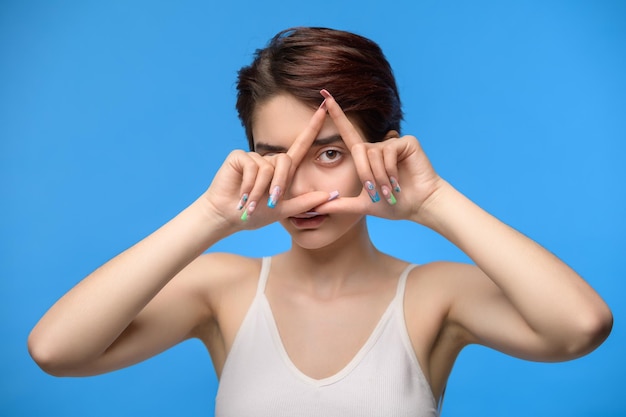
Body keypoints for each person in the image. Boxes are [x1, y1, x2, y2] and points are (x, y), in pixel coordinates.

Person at [28, 27, 613, 416]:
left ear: (382, 150)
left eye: (330, 153)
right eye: (274, 156)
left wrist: (432, 201)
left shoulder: (436, 296)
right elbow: (56, 351)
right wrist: (211, 216)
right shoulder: (222, 291)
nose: (301, 186)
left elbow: (581, 326)